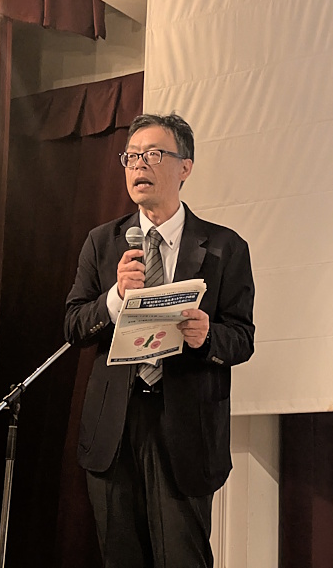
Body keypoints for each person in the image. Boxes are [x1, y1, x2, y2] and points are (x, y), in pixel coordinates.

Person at [64, 113, 255, 568]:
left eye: (153, 155)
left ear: (185, 167)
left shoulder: (224, 247)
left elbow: (242, 337)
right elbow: (73, 326)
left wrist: (208, 336)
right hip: (114, 427)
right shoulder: (102, 242)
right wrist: (114, 298)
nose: (138, 166)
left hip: (185, 429)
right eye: (131, 157)